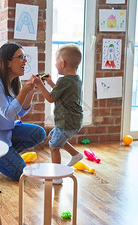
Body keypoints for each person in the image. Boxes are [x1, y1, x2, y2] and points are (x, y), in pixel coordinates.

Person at [0, 42, 46, 181]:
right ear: (8, 63)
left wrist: (30, 92)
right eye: (20, 57)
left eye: (25, 56)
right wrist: (24, 91)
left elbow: (21, 112)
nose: (25, 60)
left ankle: (6, 156)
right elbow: (8, 113)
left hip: (5, 133)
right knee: (21, 173)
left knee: (39, 133)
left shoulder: (13, 81)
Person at [32, 44, 84, 184]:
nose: (55, 64)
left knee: (54, 147)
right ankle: (75, 154)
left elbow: (51, 98)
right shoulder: (74, 79)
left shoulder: (64, 80)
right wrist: (49, 82)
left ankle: (57, 177)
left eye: (56, 60)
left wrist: (40, 84)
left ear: (63, 63)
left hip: (66, 123)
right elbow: (61, 93)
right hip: (74, 121)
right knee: (52, 137)